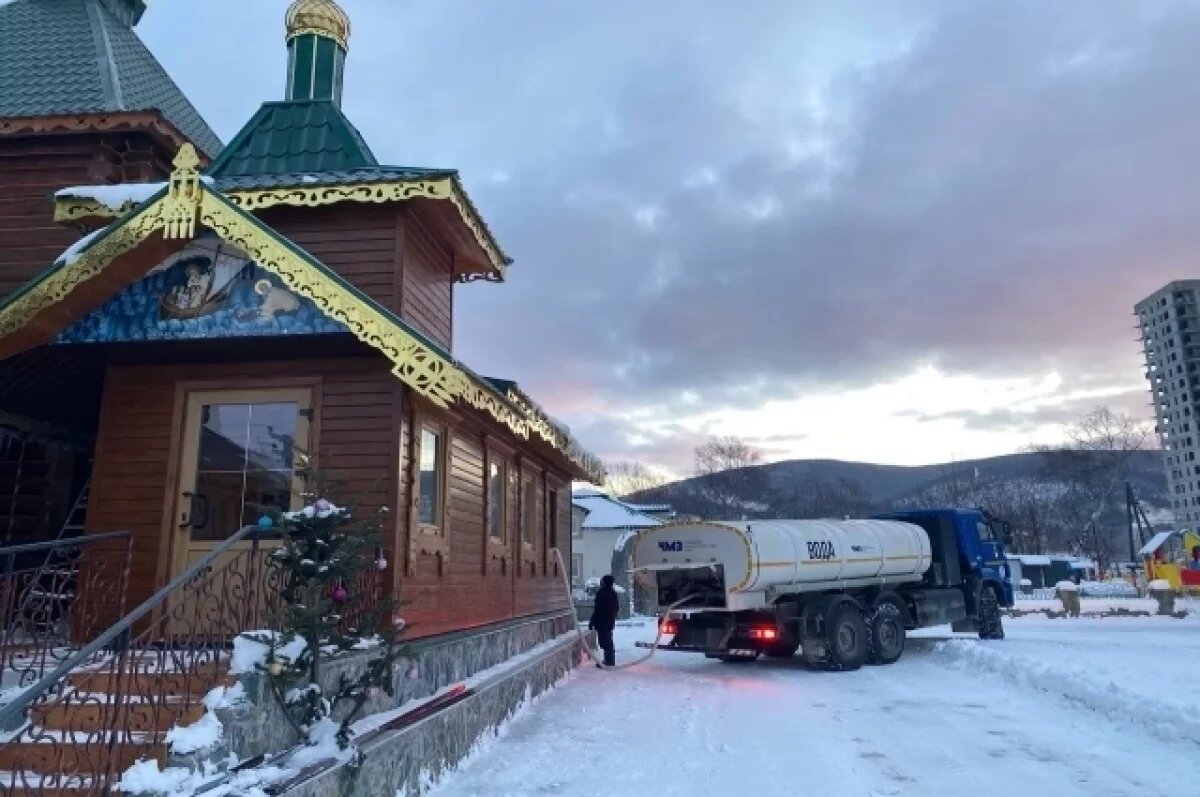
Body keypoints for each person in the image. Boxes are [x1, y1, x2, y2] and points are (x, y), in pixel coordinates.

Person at [588, 575, 619, 667]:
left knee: (605, 641)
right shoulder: (613, 593)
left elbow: (598, 609)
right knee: (607, 640)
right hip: (609, 621)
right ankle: (609, 659)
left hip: (602, 622)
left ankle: (609, 661)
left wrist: (592, 621)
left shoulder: (601, 593)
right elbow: (616, 608)